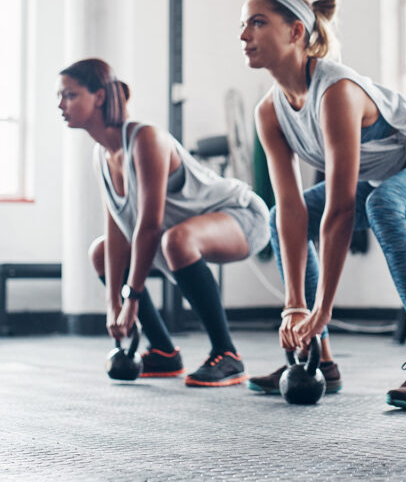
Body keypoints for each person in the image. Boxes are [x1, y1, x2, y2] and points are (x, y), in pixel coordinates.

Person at [240, 0, 406, 409]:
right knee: (278, 216)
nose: (244, 34)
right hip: (396, 175)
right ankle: (317, 357)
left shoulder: (336, 91)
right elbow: (290, 208)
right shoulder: (269, 111)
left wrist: (322, 308)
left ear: (296, 31)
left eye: (258, 22)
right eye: (242, 24)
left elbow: (340, 210)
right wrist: (295, 308)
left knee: (383, 205)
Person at [57, 58, 270, 387]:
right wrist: (113, 303)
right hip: (179, 233)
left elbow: (149, 225)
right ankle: (163, 352)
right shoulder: (101, 154)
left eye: (69, 95)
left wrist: (131, 298)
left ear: (99, 97)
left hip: (242, 217)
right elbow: (118, 233)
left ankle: (227, 355)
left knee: (176, 239)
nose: (61, 104)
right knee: (99, 251)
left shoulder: (146, 139)